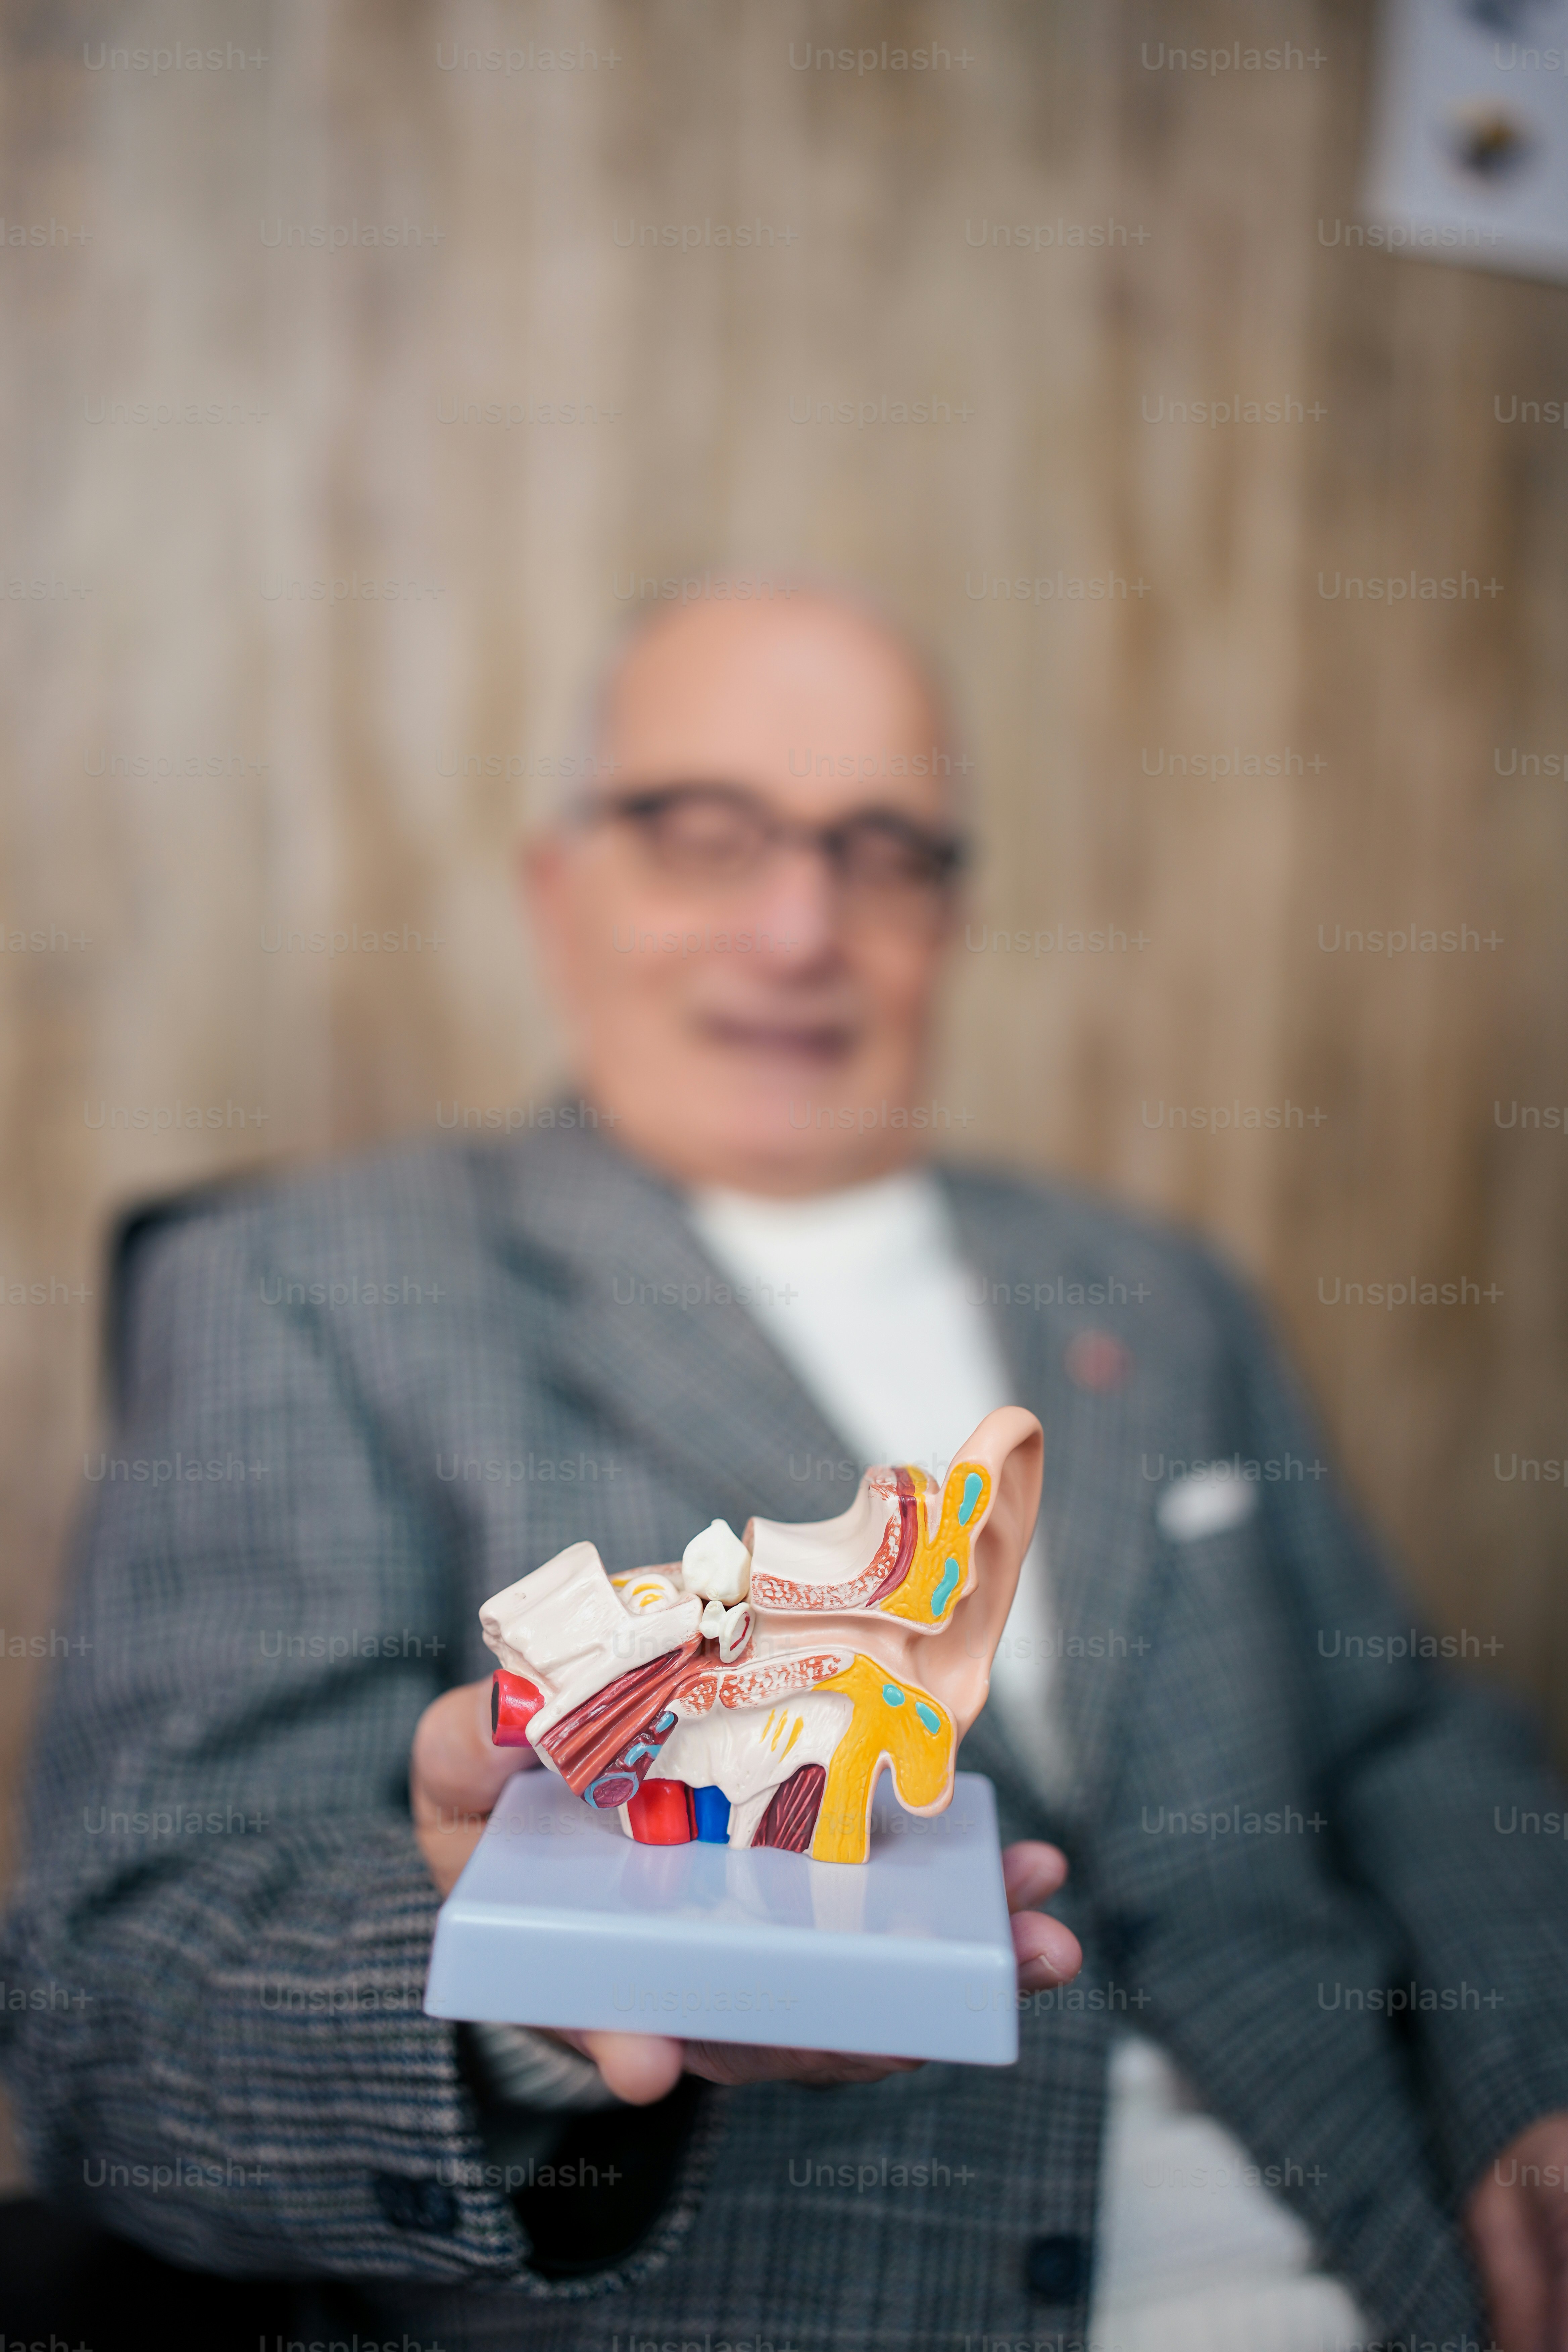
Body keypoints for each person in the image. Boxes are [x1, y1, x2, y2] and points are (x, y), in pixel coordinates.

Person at [4, 584, 1568, 2352]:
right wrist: (535, 1972)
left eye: (881, 848)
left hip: (1400, 2264)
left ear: (950, 919)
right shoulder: (313, 1286)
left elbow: (1408, 1742)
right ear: (560, 889)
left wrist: (1542, 2080)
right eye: (701, 832)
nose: (800, 922)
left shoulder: (1157, 1288)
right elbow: (110, 2008)